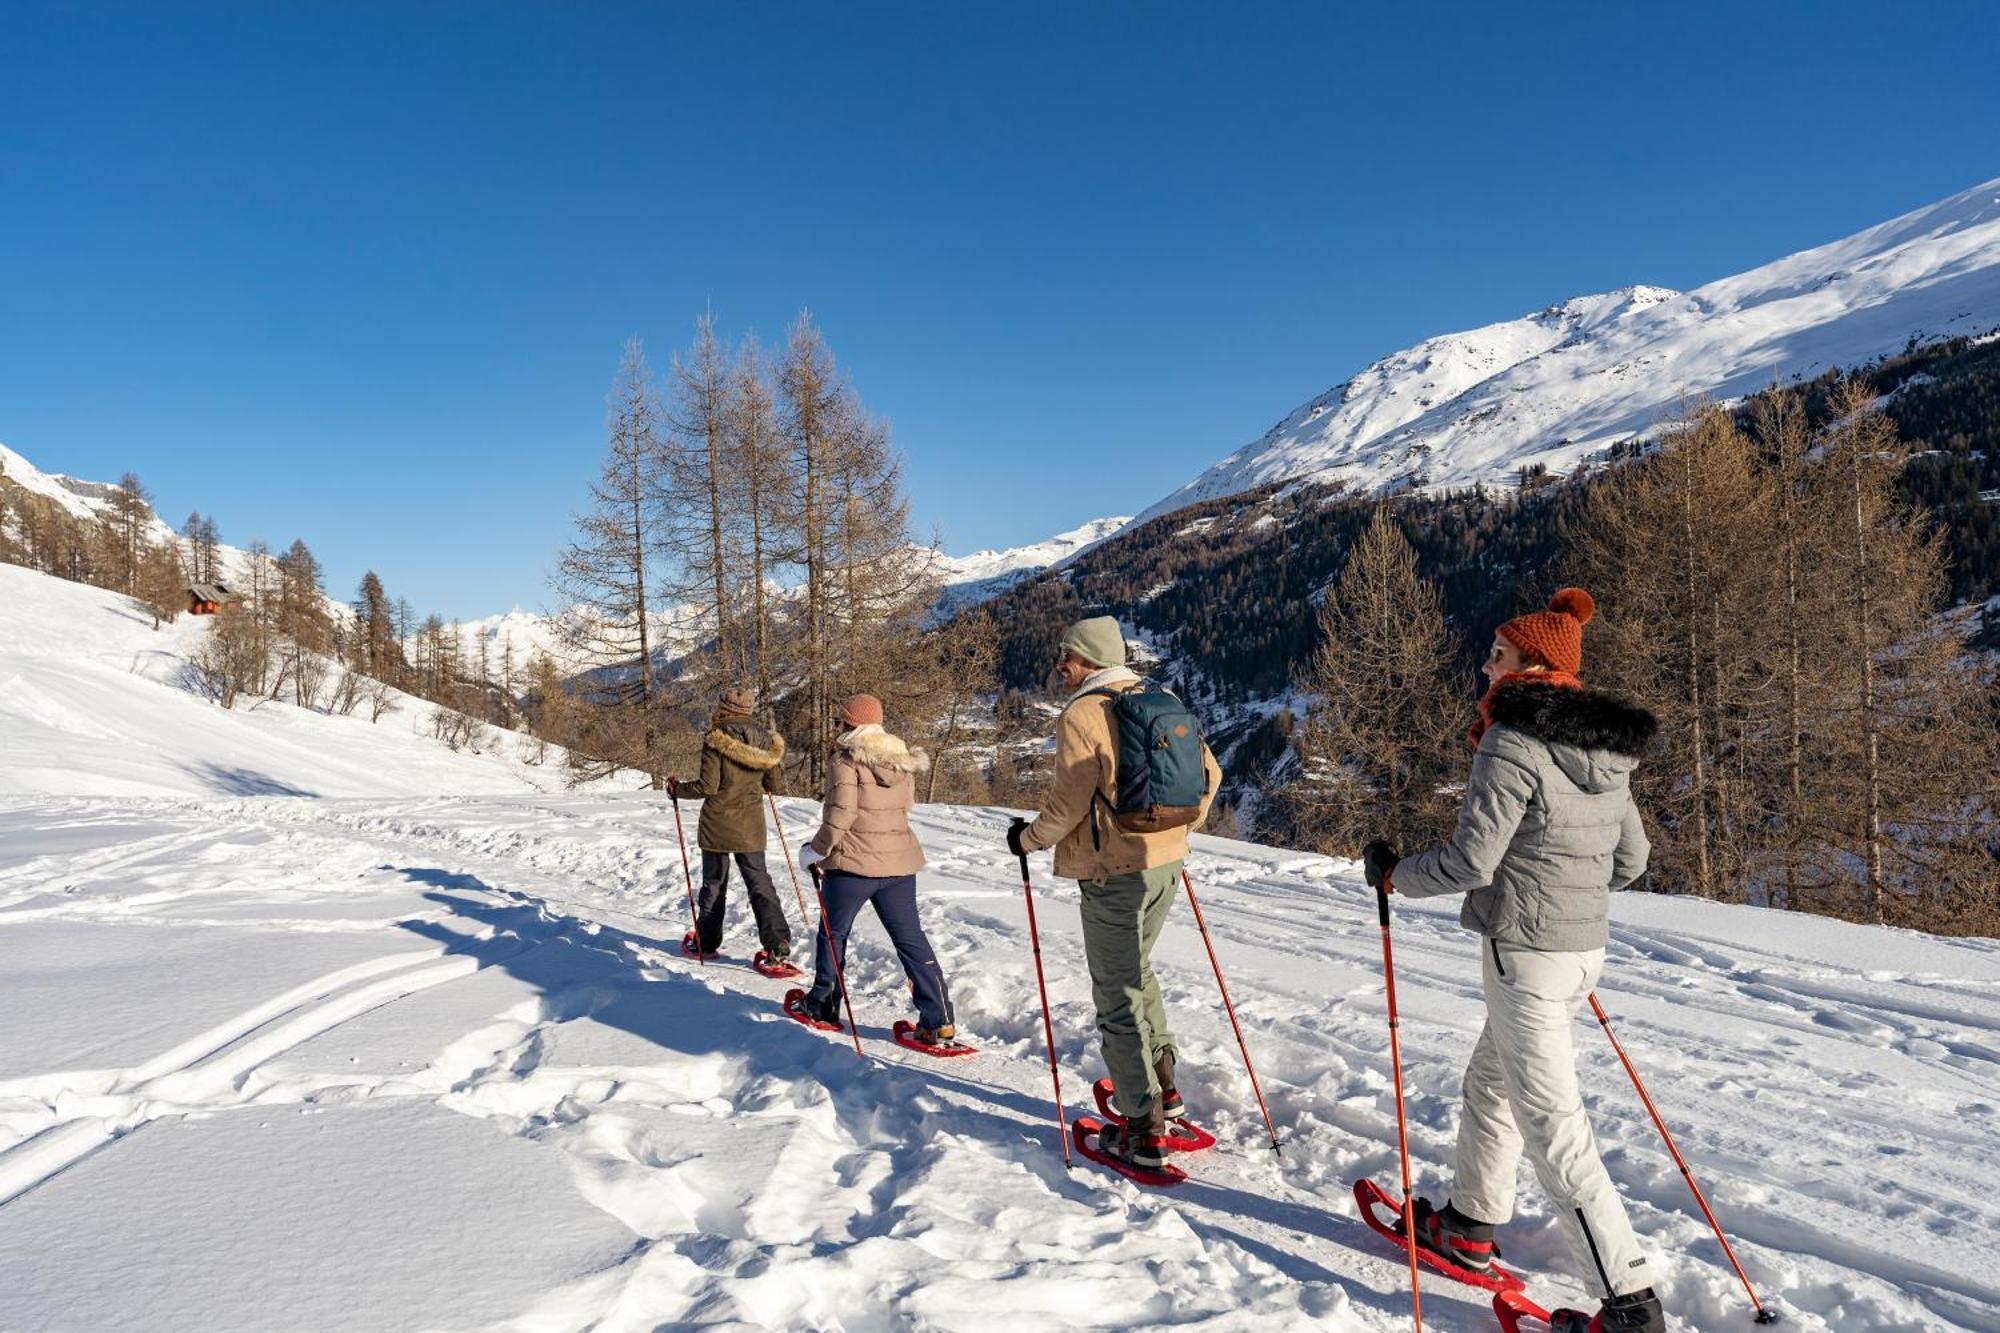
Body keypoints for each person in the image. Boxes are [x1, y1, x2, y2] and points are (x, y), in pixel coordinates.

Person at [1363, 588, 1665, 1333]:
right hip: (1580, 951)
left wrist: (1397, 875)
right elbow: (1632, 858)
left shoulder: (1513, 739)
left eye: (1496, 654)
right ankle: (1469, 1225)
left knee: (1554, 1128)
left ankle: (1629, 1304)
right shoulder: (1605, 744)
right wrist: (1567, 890)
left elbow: (1471, 860)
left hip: (1526, 956)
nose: (1484, 663)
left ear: (1531, 665)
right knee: (1489, 1084)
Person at [1008, 616, 1221, 1171]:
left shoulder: (1084, 711)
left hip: (1113, 871)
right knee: (1139, 971)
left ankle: (1141, 1126)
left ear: (1091, 659)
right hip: (1166, 864)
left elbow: (1068, 802)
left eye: (1069, 656)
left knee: (1115, 995)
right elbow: (1211, 777)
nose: (1062, 664)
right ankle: (1164, 1090)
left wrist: (1028, 840)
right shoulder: (1162, 696)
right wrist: (1176, 830)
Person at [793, 694, 956, 1044]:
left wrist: (815, 850)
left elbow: (842, 814)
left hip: (852, 865)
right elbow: (905, 806)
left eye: (840, 721)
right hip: (898, 864)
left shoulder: (846, 758)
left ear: (849, 724)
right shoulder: (900, 758)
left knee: (833, 933)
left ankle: (823, 1004)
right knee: (911, 940)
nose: (837, 726)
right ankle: (939, 1019)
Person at [667, 687, 791, 963]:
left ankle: (707, 942)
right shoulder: (767, 741)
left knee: (714, 884)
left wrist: (677, 789)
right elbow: (774, 784)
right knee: (759, 882)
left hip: (718, 824)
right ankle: (777, 943)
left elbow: (707, 786)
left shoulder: (716, 740)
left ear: (723, 708)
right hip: (751, 824)